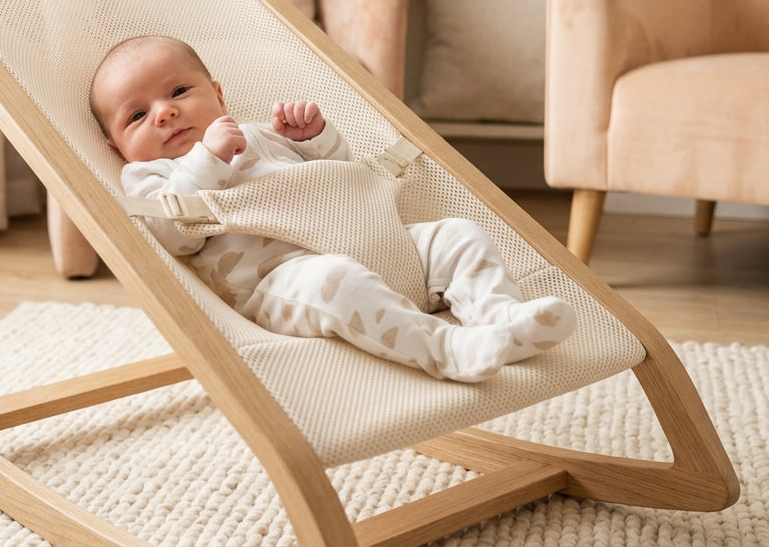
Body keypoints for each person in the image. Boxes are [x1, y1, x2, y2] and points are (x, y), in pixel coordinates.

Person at [90, 35, 576, 382]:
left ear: (218, 95)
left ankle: (499, 317)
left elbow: (342, 180)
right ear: (116, 148)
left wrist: (315, 139)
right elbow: (175, 234)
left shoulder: (260, 133)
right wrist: (208, 158)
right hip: (280, 280)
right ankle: (446, 349)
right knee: (337, 282)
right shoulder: (149, 178)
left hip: (377, 244)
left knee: (458, 234)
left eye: (178, 92)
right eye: (137, 115)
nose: (165, 112)